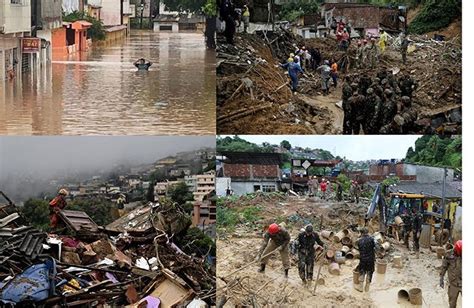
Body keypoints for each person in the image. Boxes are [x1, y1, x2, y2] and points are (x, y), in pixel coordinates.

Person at [440, 240, 462, 308]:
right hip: (453, 284)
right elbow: (444, 267)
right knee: (452, 304)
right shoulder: (448, 254)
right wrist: (441, 278)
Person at [355, 227, 376, 292]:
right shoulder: (372, 239)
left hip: (363, 259)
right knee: (370, 272)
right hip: (370, 259)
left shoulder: (359, 241)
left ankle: (360, 288)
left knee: (362, 271)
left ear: (361, 233)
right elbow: (376, 247)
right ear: (367, 232)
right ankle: (367, 288)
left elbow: (360, 249)